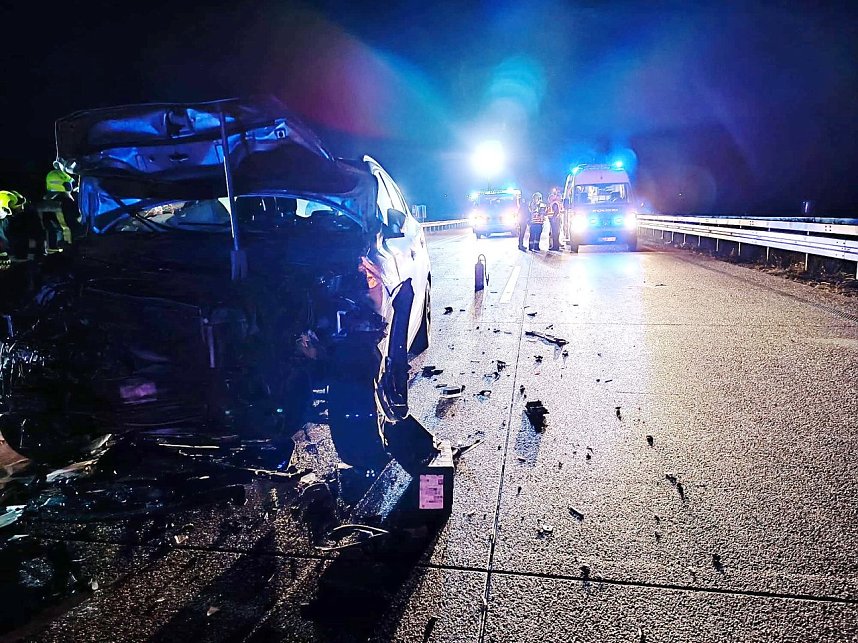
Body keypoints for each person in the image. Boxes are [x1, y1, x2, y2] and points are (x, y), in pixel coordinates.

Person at [37, 169, 81, 250]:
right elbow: (78, 219)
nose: (71, 186)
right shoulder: (66, 202)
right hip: (69, 244)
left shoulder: (47, 201)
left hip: (54, 246)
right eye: (69, 184)